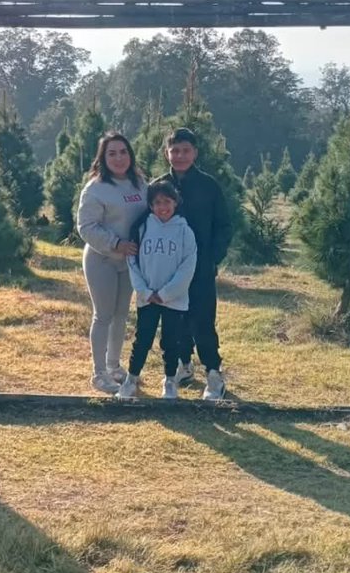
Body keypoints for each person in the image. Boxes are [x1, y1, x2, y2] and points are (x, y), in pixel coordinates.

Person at [153, 128, 233, 400]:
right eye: (174, 151)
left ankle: (213, 373)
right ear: (167, 153)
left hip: (200, 267)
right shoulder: (160, 186)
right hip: (167, 269)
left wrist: (213, 258)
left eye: (186, 150)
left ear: (195, 153)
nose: (180, 156)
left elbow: (223, 226)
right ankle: (182, 365)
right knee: (174, 320)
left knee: (202, 320)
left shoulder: (209, 186)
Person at [77, 132, 148, 393]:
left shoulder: (139, 184)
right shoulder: (96, 189)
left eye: (123, 152)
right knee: (103, 315)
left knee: (121, 315)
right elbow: (86, 227)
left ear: (130, 154)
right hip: (102, 260)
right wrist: (115, 244)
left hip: (129, 262)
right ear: (103, 158)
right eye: (112, 153)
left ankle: (114, 366)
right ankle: (98, 374)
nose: (119, 158)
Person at [118, 181, 196, 400]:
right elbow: (132, 262)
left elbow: (187, 267)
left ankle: (170, 380)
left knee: (171, 341)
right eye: (158, 202)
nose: (163, 207)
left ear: (175, 202)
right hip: (147, 298)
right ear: (151, 206)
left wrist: (166, 293)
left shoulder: (185, 232)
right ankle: (131, 380)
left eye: (167, 202)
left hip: (174, 300)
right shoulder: (141, 229)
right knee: (142, 339)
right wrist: (144, 291)